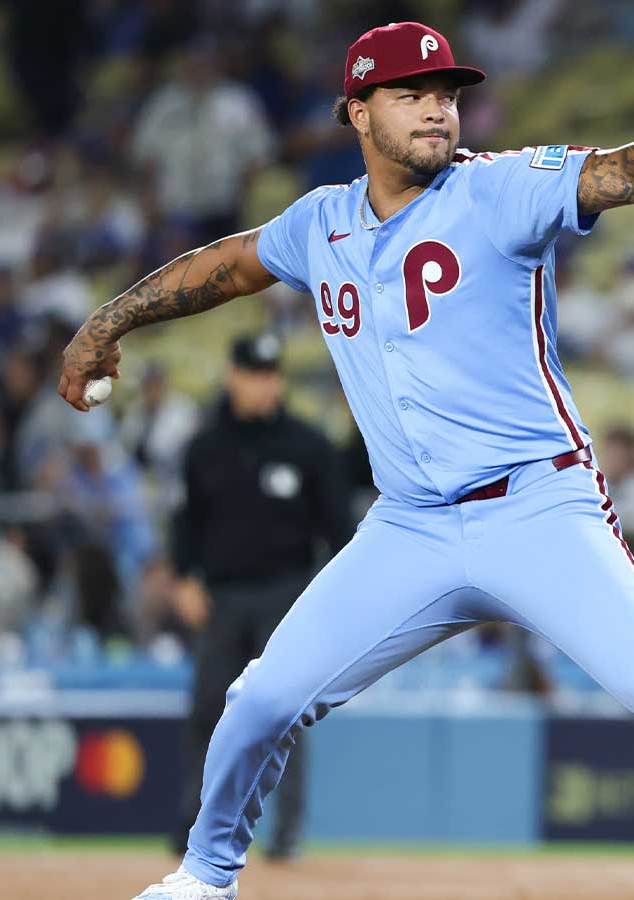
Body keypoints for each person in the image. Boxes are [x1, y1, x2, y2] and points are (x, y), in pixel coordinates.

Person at [59, 22, 634, 900]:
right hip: (409, 527)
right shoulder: (320, 223)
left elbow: (624, 171)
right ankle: (206, 877)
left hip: (536, 508)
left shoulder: (499, 188)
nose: (438, 108)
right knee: (261, 699)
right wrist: (108, 321)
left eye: (448, 94)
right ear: (358, 112)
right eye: (411, 94)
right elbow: (232, 264)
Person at [169, 334, 354, 862]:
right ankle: (194, 829)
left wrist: (329, 599)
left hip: (286, 596)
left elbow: (340, 531)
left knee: (282, 712)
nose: (265, 385)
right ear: (233, 376)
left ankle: (287, 834)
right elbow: (186, 522)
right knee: (208, 707)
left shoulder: (309, 447)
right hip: (222, 597)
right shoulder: (205, 448)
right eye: (255, 374)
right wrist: (184, 578)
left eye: (272, 375)